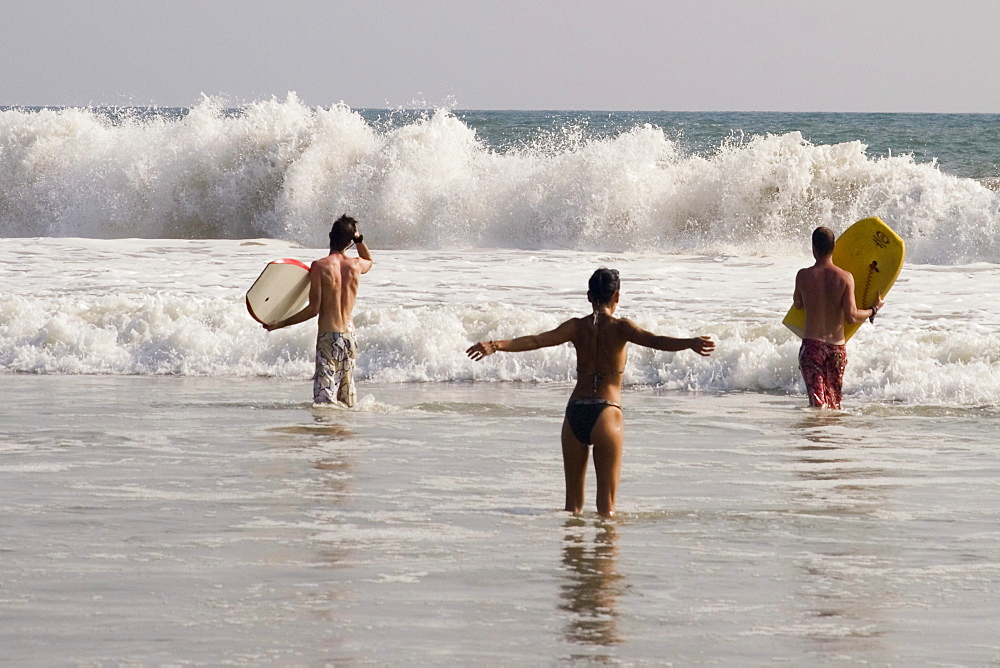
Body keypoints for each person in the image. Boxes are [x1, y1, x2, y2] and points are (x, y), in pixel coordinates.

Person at [466, 268, 714, 517]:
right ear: (616, 296)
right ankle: (604, 555)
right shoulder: (622, 328)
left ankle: (574, 552)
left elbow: (537, 340)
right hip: (607, 412)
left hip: (575, 412)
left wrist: (495, 345)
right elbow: (656, 340)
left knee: (572, 508)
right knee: (607, 509)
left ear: (588, 296)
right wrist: (689, 343)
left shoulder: (576, 327)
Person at [264, 215, 373, 407]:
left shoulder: (320, 266)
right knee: (346, 401)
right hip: (350, 338)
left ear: (330, 235)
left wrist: (280, 323)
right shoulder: (356, 265)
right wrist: (359, 239)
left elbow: (314, 309)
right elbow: (368, 260)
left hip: (328, 338)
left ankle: (326, 435)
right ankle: (343, 435)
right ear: (349, 242)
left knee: (325, 402)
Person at [792, 226, 884, 410]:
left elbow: (798, 304)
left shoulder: (803, 275)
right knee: (834, 404)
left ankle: (816, 436)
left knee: (817, 405)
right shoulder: (845, 278)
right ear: (834, 247)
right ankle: (831, 437)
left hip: (812, 348)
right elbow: (851, 316)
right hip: (837, 350)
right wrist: (873, 310)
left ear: (813, 249)